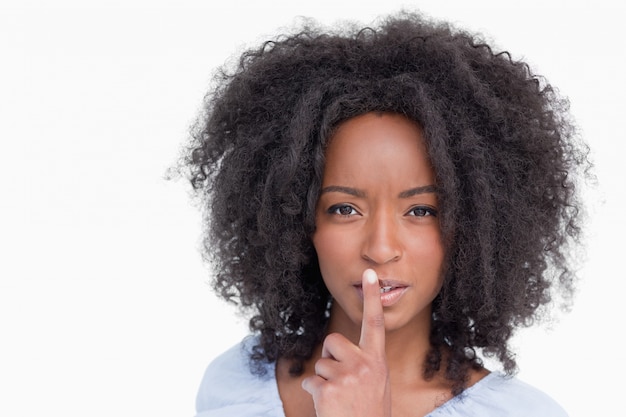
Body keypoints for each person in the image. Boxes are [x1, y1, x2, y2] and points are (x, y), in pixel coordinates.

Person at [182, 11, 589, 417]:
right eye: (344, 209)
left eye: (420, 210)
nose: (380, 249)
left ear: (475, 230)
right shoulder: (233, 386)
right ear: (296, 222)